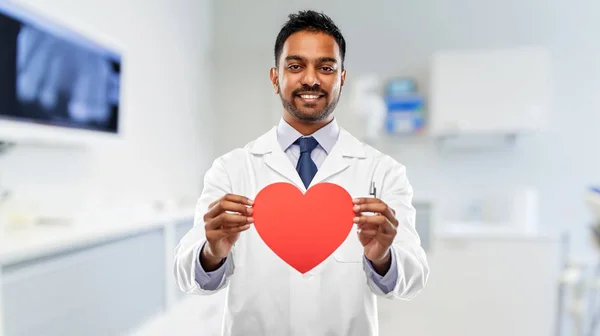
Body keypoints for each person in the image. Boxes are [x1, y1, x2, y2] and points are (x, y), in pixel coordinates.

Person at [174, 10, 429, 336]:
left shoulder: (383, 171)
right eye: (295, 66)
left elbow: (413, 277)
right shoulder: (231, 169)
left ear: (342, 78)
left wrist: (382, 258)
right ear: (275, 77)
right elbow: (187, 275)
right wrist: (212, 253)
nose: (311, 79)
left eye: (326, 67)